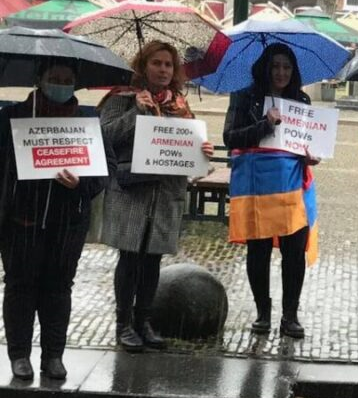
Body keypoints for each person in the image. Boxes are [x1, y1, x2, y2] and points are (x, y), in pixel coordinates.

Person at [0, 61, 115, 380]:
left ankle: (53, 355)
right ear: (39, 80)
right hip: (21, 220)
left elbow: (107, 166)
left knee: (58, 289)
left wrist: (83, 185)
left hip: (68, 223)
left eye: (67, 80)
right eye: (54, 79)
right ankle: (19, 355)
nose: (61, 85)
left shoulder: (87, 120)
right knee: (19, 288)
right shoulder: (12, 117)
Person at [99, 40, 214, 353]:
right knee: (130, 256)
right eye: (156, 63)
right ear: (143, 65)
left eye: (168, 65)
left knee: (152, 259)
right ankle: (123, 323)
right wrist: (137, 112)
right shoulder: (122, 97)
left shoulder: (178, 102)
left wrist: (202, 151)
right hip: (132, 190)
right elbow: (105, 135)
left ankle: (143, 321)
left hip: (165, 192)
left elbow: (189, 141)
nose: (163, 70)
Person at [223, 43, 319, 339]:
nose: (281, 72)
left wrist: (310, 154)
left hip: (292, 187)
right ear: (266, 67)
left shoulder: (301, 100)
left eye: (286, 67)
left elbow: (308, 141)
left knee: (294, 253)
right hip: (257, 187)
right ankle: (262, 312)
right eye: (275, 66)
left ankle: (290, 316)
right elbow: (230, 137)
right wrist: (265, 125)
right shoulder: (244, 97)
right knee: (259, 251)